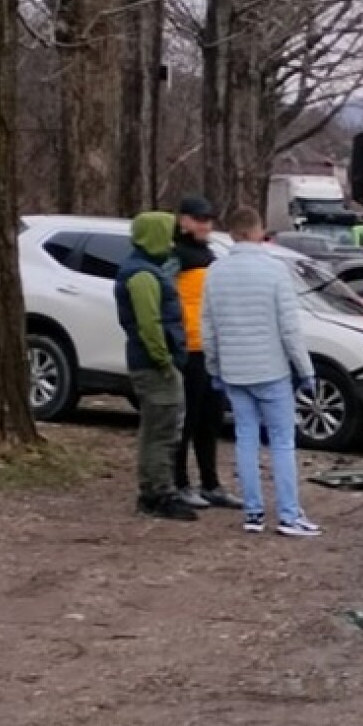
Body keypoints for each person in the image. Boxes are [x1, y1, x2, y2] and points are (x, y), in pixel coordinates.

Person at [203, 206, 323, 538]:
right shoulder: (275, 271)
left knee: (246, 439)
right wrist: (306, 369)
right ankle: (288, 514)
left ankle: (253, 513)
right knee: (282, 443)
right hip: (271, 370)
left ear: (231, 234)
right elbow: (289, 329)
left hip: (235, 372)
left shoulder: (215, 273)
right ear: (257, 231)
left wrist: (215, 368)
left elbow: (209, 329)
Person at [115, 211, 196, 521]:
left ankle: (153, 491)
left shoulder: (144, 269)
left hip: (151, 362)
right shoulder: (143, 275)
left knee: (154, 428)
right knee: (163, 429)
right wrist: (164, 360)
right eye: (167, 233)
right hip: (154, 365)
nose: (173, 240)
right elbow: (150, 324)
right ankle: (159, 494)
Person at [170, 198, 241, 511]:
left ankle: (210, 483)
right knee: (186, 420)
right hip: (188, 349)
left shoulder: (209, 254)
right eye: (200, 219)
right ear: (183, 220)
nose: (206, 225)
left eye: (209, 220)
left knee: (209, 420)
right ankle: (180, 482)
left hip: (211, 348)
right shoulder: (174, 255)